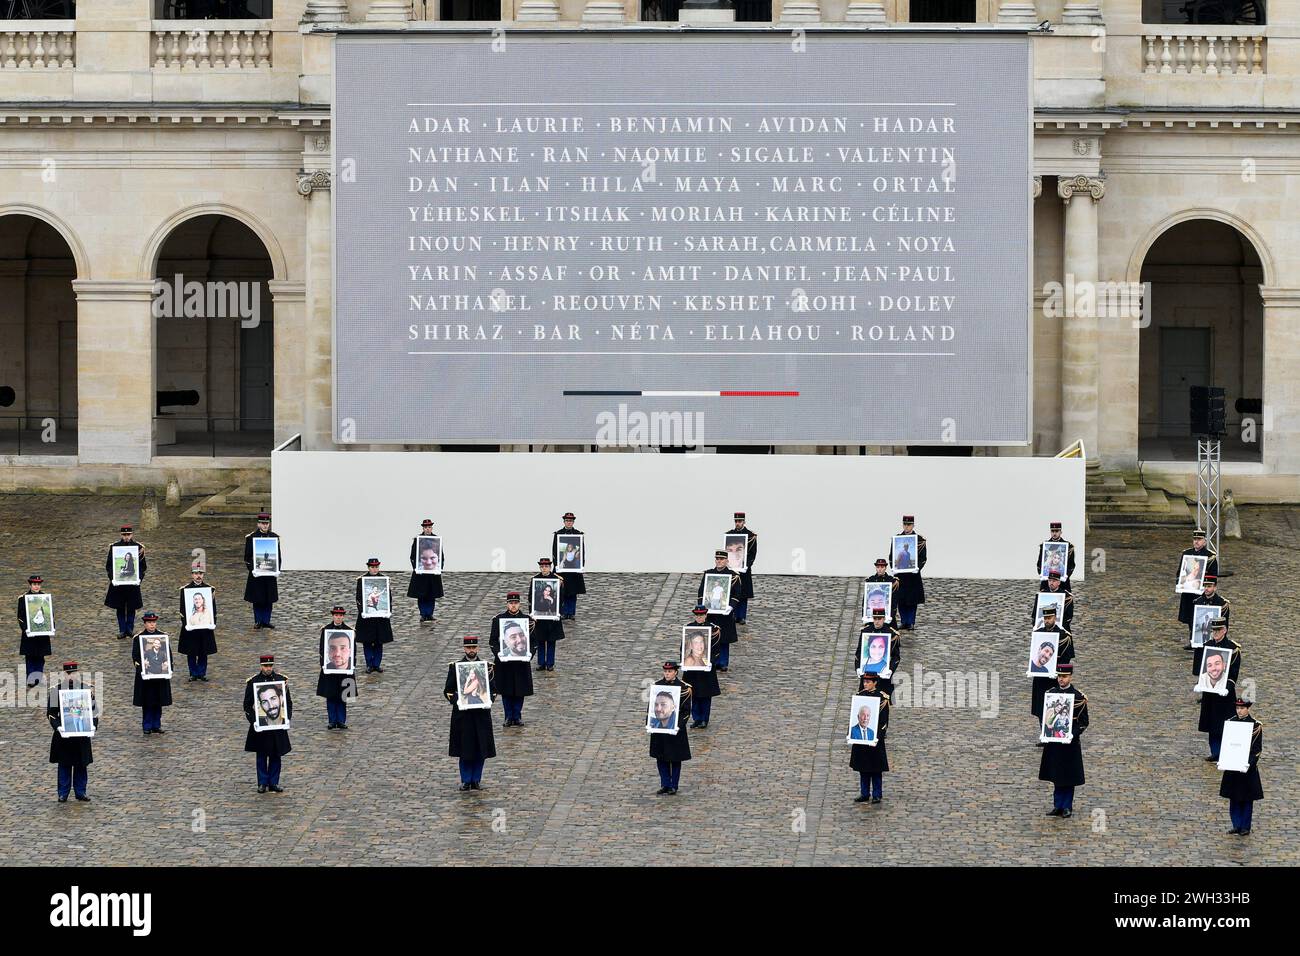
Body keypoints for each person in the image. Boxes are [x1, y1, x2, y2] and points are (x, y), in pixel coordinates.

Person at [445, 636, 496, 790]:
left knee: (481, 748)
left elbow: (493, 690)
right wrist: (458, 701)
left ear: (478, 648)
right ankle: (466, 779)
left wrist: (488, 701)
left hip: (481, 715)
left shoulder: (486, 667)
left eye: (474, 648)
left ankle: (476, 779)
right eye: (468, 648)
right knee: (465, 748)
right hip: (463, 716)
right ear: (464, 649)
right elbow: (448, 691)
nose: (471, 650)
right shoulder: (456, 667)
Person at [1039, 663, 1088, 817]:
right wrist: (1045, 731)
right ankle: (1057, 805)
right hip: (1054, 742)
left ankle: (1067, 806)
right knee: (1056, 774)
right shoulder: (1051, 694)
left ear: (1070, 677)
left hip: (1070, 743)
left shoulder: (1078, 697)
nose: (1061, 679)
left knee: (1068, 775)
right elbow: (1046, 717)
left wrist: (1072, 734)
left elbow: (1084, 722)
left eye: (1064, 676)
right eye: (1059, 676)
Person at [49, 661, 97, 802]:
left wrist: (93, 725)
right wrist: (58, 727)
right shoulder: (55, 691)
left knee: (81, 764)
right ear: (64, 674)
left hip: (81, 733)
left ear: (78, 673)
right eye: (69, 673)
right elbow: (51, 714)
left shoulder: (86, 689)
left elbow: (94, 711)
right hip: (64, 734)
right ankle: (63, 793)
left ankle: (80, 791)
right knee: (64, 764)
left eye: (74, 673)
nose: (72, 676)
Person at [244, 654, 292, 793]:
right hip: (261, 727)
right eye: (265, 666)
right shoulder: (253, 682)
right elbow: (247, 705)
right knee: (261, 755)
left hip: (277, 726)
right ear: (261, 666)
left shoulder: (281, 680)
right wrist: (254, 721)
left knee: (276, 755)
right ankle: (262, 782)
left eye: (270, 666)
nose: (268, 668)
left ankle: (274, 782)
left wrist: (287, 718)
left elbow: (287, 703)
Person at [489, 592, 535, 727]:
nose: (513, 605)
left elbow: (533, 642)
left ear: (519, 604)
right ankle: (508, 716)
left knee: (520, 690)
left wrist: (530, 654)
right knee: (506, 690)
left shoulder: (527, 620)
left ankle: (517, 715)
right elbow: (493, 641)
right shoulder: (498, 619)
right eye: (511, 603)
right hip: (505, 663)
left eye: (515, 603)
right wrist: (499, 653)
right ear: (507, 604)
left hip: (521, 662)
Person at [1030, 605, 1074, 739]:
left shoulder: (1064, 636)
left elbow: (1067, 658)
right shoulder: (1039, 633)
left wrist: (1059, 672)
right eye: (1045, 618)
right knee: (1041, 704)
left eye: (1050, 617)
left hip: (1055, 677)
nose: (1047, 620)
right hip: (1040, 677)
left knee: (1054, 705)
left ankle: (1053, 733)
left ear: (1055, 617)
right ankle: (1044, 733)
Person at [1220, 697, 1262, 835]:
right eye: (1237, 708)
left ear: (1248, 709)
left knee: (1246, 798)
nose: (1239, 711)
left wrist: (1248, 764)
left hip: (1246, 768)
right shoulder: (1231, 722)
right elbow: (1226, 745)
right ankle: (1236, 824)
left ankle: (1245, 827)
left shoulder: (1255, 725)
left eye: (1242, 708)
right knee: (1234, 797)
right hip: (1232, 766)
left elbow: (1257, 750)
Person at [650, 662, 692, 795]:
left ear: (675, 672)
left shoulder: (685, 688)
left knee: (675, 757)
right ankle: (665, 784)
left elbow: (686, 711)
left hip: (676, 729)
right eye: (665, 671)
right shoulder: (656, 686)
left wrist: (677, 726)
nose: (667, 674)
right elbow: (652, 708)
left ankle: (674, 785)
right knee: (661, 757)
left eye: (670, 672)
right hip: (660, 729)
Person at [697, 551, 741, 672]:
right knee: (710, 637)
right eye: (717, 559)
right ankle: (712, 661)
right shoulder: (708, 574)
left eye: (722, 559)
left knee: (724, 637)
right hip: (710, 612)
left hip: (724, 613)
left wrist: (731, 606)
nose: (719, 561)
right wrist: (702, 607)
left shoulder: (733, 576)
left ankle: (723, 662)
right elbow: (701, 592)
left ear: (727, 561)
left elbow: (737, 593)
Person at [1197, 634, 1238, 762]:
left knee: (1225, 722)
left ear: (1224, 630)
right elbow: (1203, 667)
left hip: (1225, 694)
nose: (1216, 633)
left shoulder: (1232, 648)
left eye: (1219, 630)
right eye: (1214, 630)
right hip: (1210, 693)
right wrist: (1201, 683)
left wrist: (1228, 687)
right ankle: (1215, 752)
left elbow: (1234, 671)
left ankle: (1225, 751)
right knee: (1211, 722)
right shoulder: (1208, 645)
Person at [850, 672, 890, 803]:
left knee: (876, 768)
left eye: (868, 682)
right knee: (863, 767)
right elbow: (854, 715)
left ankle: (877, 794)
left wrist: (877, 737)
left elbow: (883, 721)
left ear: (875, 683)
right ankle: (864, 793)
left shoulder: (882, 698)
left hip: (875, 739)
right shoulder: (860, 696)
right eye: (864, 682)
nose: (865, 684)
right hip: (861, 739)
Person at [131, 611, 173, 736]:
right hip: (146, 677)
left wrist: (169, 668)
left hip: (160, 676)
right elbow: (135, 657)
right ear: (145, 624)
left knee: (158, 701)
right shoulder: (138, 638)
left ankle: (156, 725)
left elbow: (168, 655)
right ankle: (147, 725)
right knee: (147, 702)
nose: (152, 625)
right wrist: (142, 669)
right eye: (149, 622)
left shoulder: (162, 637)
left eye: (153, 622)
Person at [682, 606, 722, 729]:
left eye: (701, 615)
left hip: (706, 667)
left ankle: (704, 718)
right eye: (697, 615)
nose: (699, 618)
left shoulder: (713, 628)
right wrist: (684, 661)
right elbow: (683, 647)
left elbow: (716, 649)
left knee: (705, 694)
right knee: (693, 693)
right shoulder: (689, 628)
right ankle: (697, 718)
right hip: (692, 667)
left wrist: (711, 662)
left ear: (705, 615)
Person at [104, 525, 146, 639]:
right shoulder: (114, 547)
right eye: (124, 535)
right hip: (118, 585)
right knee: (120, 607)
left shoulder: (138, 547)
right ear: (121, 535)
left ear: (132, 534)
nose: (126, 537)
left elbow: (143, 567)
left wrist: (139, 579)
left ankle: (130, 629)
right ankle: (122, 630)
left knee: (132, 607)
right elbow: (109, 565)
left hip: (133, 584)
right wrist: (113, 578)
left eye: (128, 534)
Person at [178, 565, 217, 682]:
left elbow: (213, 608)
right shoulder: (185, 589)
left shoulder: (209, 589)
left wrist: (213, 622)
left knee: (203, 651)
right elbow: (182, 609)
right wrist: (186, 624)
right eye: (196, 573)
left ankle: (201, 672)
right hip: (191, 627)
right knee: (191, 651)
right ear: (192, 575)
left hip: (205, 627)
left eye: (200, 573)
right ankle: (193, 673)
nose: (198, 576)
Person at [317, 606, 355, 730]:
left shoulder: (349, 631)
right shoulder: (326, 630)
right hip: (330, 669)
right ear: (333, 616)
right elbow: (322, 649)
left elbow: (353, 651)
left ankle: (341, 720)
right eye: (336, 615)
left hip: (345, 670)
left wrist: (352, 665)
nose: (338, 617)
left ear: (343, 617)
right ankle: (332, 720)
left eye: (340, 615)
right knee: (331, 695)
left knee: (343, 696)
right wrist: (323, 665)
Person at [355, 558, 394, 674]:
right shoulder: (361, 580)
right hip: (367, 616)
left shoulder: (384, 579)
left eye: (376, 567)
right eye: (372, 567)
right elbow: (358, 598)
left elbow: (388, 597)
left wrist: (388, 611)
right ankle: (369, 664)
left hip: (380, 617)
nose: (374, 569)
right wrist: (362, 611)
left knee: (379, 641)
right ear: (368, 567)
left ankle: (377, 664)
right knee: (367, 641)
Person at [243, 513, 281, 631]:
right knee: (258, 598)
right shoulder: (251, 537)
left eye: (267, 523)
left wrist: (277, 569)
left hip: (269, 574)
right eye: (263, 523)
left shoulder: (274, 537)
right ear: (258, 524)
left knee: (268, 598)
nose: (265, 526)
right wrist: (253, 569)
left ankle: (266, 620)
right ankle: (258, 620)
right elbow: (247, 557)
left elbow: (278, 556)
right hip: (257, 574)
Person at [1175, 528, 1217, 630]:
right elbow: (1180, 572)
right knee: (1189, 614)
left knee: (1200, 615)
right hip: (1188, 590)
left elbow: (1213, 575)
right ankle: (1191, 639)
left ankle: (1200, 641)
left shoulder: (1210, 556)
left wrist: (1206, 588)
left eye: (1199, 539)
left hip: (1202, 591)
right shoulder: (1187, 553)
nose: (1196, 541)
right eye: (1195, 539)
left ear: (1204, 541)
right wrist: (1179, 583)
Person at [530, 558, 566, 672]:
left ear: (550, 567)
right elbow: (531, 598)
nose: (544, 568)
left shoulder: (556, 580)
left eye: (546, 566)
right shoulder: (535, 580)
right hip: (540, 617)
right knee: (540, 640)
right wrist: (532, 614)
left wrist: (558, 612)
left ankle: (550, 663)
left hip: (552, 617)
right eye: (542, 566)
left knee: (551, 640)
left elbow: (561, 598)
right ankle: (541, 663)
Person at [856, 607, 900, 698]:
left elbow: (896, 656)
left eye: (879, 619)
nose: (877, 621)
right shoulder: (866, 631)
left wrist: (890, 669)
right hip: (868, 676)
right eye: (875, 619)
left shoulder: (891, 633)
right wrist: (857, 668)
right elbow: (859, 652)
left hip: (883, 677)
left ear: (884, 619)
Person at [892, 516, 927, 630]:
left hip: (913, 575)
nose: (907, 527)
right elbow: (892, 556)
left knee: (912, 600)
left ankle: (911, 622)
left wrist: (918, 567)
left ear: (913, 525)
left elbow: (923, 558)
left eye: (909, 524)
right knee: (901, 599)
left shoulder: (919, 540)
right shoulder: (897, 539)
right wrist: (894, 566)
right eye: (905, 524)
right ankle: (904, 621)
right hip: (901, 575)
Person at [407, 519, 445, 623]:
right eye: (426, 527)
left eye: (429, 527)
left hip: (433, 572)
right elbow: (413, 555)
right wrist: (416, 568)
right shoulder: (418, 540)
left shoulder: (436, 540)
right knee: (421, 594)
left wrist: (439, 567)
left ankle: (430, 613)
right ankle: (423, 614)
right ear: (423, 528)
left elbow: (440, 554)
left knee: (431, 594)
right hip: (421, 572)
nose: (428, 529)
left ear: (431, 528)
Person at [18, 574, 52, 687]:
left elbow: (49, 614)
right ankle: (31, 678)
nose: (36, 586)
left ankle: (38, 676)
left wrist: (51, 626)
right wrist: (26, 629)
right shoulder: (23, 598)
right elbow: (20, 616)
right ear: (30, 585)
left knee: (40, 656)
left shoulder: (45, 598)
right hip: (29, 633)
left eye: (38, 584)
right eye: (34, 584)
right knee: (30, 656)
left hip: (42, 632)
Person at [551, 512, 586, 620]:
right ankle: (563, 612)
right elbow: (554, 550)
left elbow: (582, 551)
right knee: (562, 591)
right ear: (564, 521)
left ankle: (571, 613)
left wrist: (581, 565)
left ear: (573, 522)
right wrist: (557, 565)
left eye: (571, 521)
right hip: (562, 568)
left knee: (573, 592)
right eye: (567, 520)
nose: (569, 522)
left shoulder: (578, 534)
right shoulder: (558, 534)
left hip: (574, 569)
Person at [728, 512, 758, 624]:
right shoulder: (730, 534)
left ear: (744, 522)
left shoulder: (750, 536)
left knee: (743, 593)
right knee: (733, 592)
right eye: (736, 521)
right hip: (732, 568)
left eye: (739, 521)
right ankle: (733, 615)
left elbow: (752, 553)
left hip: (744, 568)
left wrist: (746, 565)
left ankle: (742, 616)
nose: (737, 523)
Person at [1187, 573, 1230, 650]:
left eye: (1209, 586)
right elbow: (1192, 623)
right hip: (1200, 642)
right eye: (1204, 586)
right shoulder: (1197, 602)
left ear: (1215, 587)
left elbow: (1224, 625)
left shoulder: (1222, 604)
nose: (1206, 588)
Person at [864, 558, 900, 627]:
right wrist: (865, 615)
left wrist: (891, 615)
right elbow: (865, 600)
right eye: (878, 567)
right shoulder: (870, 580)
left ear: (885, 568)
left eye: (882, 567)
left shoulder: (892, 581)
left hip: (887, 614)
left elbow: (894, 600)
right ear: (876, 568)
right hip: (872, 616)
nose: (880, 569)